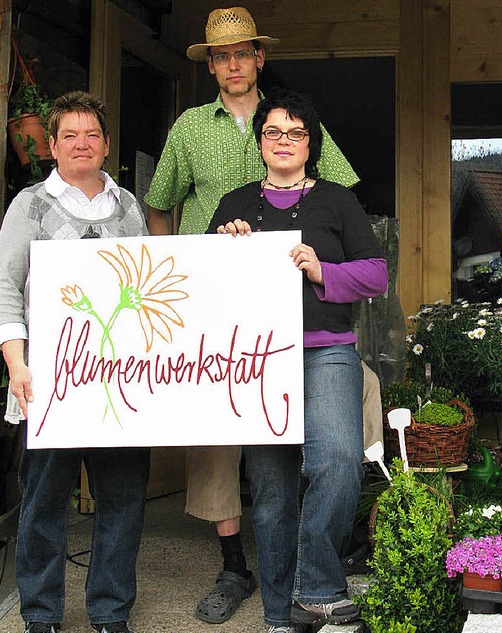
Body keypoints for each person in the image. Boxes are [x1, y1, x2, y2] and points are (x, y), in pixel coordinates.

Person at [143, 6, 362, 626]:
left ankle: (310, 562)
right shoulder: (189, 127)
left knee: (331, 437)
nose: (232, 64)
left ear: (259, 58)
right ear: (210, 64)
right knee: (215, 443)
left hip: (302, 312)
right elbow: (161, 207)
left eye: (242, 53)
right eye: (220, 55)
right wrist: (178, 275)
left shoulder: (289, 118)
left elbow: (338, 187)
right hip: (218, 304)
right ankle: (233, 564)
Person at [209, 88, 388, 633]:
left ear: (311, 143)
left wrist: (322, 272)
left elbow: (376, 275)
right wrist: (224, 248)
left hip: (327, 350)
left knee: (336, 463)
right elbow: (204, 286)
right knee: (270, 489)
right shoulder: (234, 205)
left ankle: (315, 589)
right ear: (260, 142)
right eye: (273, 132)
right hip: (258, 357)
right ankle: (279, 617)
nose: (283, 141)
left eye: (295, 132)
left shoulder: (338, 201)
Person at [0, 91, 150, 633]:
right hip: (49, 383)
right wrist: (17, 365)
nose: (81, 144)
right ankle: (40, 614)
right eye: (69, 135)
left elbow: (146, 286)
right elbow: (7, 288)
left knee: (123, 500)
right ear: (54, 147)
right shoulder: (30, 205)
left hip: (117, 384)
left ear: (107, 145)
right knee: (43, 505)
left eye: (92, 134)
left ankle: (110, 612)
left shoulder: (129, 206)